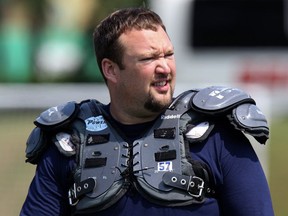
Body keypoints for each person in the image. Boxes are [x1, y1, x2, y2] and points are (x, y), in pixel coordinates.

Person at [20, 7, 274, 216]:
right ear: (111, 69)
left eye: (169, 54)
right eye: (149, 59)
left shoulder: (217, 136)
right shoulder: (70, 144)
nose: (165, 67)